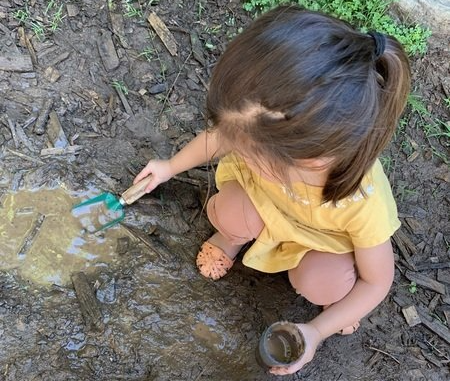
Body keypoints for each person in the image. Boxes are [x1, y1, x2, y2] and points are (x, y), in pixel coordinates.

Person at [133, 5, 411, 375]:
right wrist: (170, 167)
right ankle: (231, 238)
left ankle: (336, 309)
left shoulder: (363, 203)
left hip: (318, 245)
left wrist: (316, 331)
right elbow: (221, 138)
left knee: (323, 284)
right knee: (230, 209)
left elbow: (377, 281)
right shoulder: (271, 134)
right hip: (266, 206)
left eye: (246, 150)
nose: (234, 148)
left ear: (308, 161)